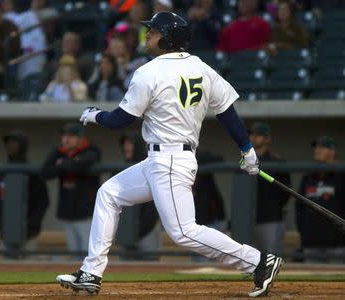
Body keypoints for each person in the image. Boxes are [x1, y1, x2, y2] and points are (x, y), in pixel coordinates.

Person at [56, 12, 282, 297]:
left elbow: (120, 121)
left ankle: (258, 261)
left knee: (183, 232)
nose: (148, 35)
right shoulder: (201, 67)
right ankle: (91, 271)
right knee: (109, 193)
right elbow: (227, 111)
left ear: (168, 38)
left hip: (170, 160)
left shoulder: (148, 72)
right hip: (160, 160)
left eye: (154, 31)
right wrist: (247, 150)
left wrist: (94, 115)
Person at [41, 123, 101, 259]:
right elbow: (44, 172)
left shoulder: (91, 150)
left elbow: (76, 167)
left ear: (80, 138)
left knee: (89, 254)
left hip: (86, 214)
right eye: (64, 136)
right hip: (67, 212)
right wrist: (67, 162)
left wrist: (61, 163)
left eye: (71, 136)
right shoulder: (59, 151)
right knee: (74, 255)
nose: (66, 139)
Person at [0, 130, 49, 257]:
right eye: (8, 143)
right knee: (7, 270)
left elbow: (42, 201)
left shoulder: (33, 172)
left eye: (14, 142)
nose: (10, 145)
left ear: (23, 145)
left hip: (29, 233)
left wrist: (32, 226)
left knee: (29, 270)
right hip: (5, 231)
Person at [296, 136, 345, 263]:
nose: (317, 150)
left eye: (322, 147)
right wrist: (304, 234)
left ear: (332, 151)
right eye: (316, 147)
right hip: (311, 243)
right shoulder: (308, 177)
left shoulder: (341, 176)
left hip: (337, 245)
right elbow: (299, 208)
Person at [116, 133, 161, 260]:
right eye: (124, 144)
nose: (126, 147)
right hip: (127, 231)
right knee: (125, 268)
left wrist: (141, 230)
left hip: (149, 228)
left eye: (129, 144)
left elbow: (153, 207)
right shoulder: (121, 168)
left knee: (151, 267)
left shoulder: (150, 165)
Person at [249, 122, 291, 255]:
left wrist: (273, 207)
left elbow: (286, 193)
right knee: (250, 260)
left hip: (271, 219)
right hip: (249, 219)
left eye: (259, 135)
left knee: (271, 258)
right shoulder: (247, 160)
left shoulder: (278, 162)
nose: (254, 137)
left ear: (267, 138)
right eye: (252, 134)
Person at [191, 149, 227, 262]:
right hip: (193, 223)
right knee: (199, 262)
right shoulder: (169, 161)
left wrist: (193, 159)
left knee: (214, 263)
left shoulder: (198, 156)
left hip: (213, 219)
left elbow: (220, 159)